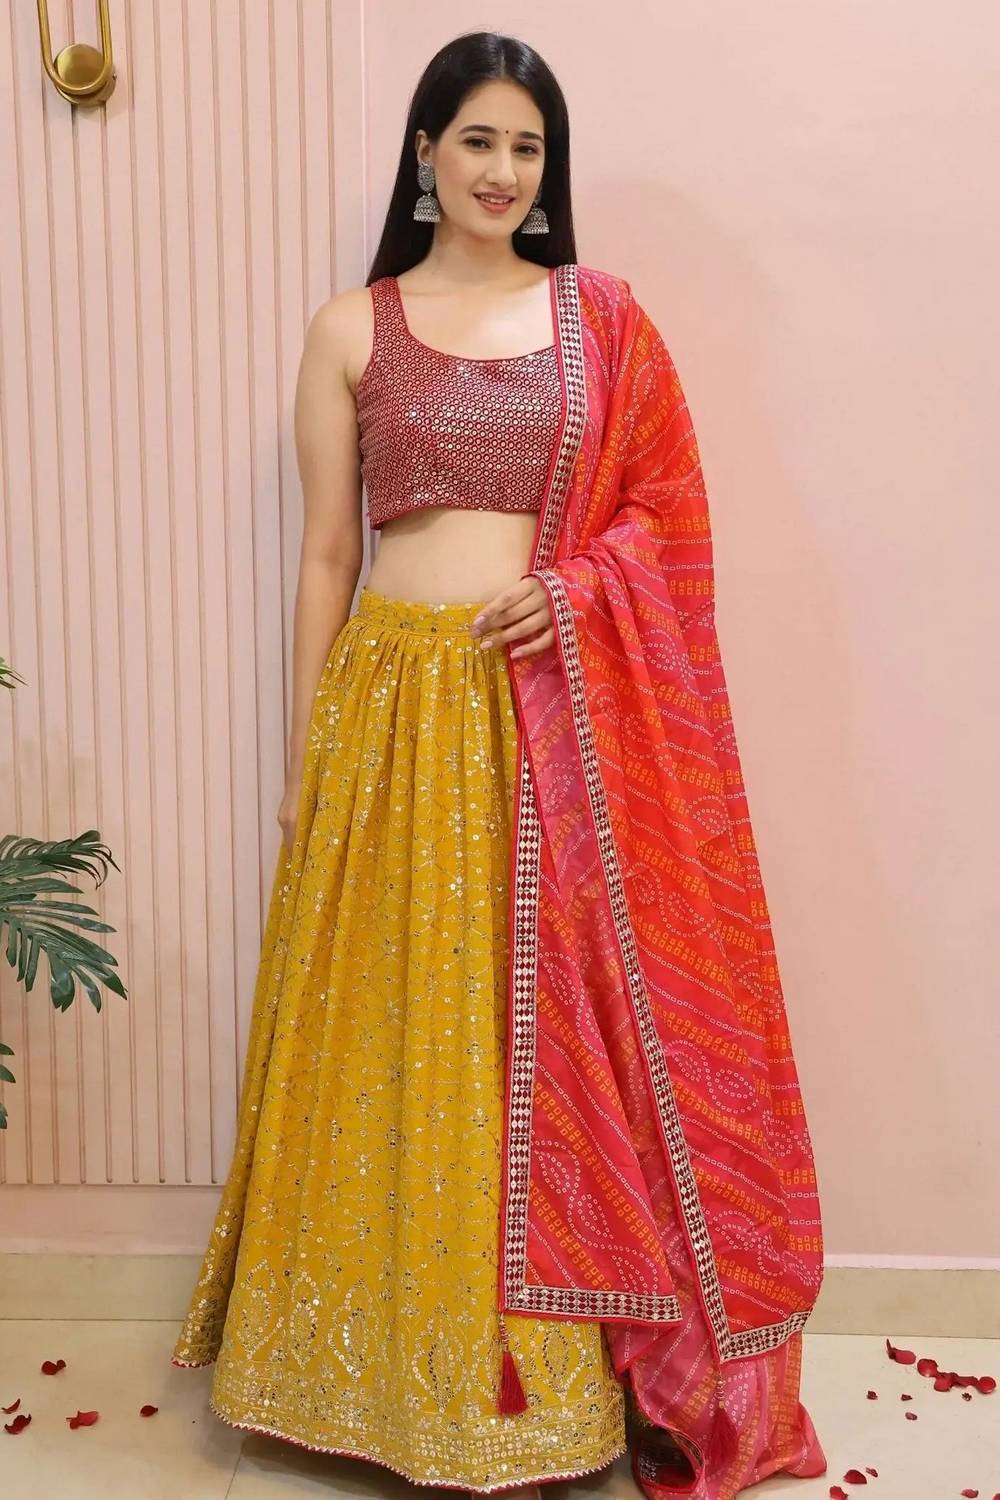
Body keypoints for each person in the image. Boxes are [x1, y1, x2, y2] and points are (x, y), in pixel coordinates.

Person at [171, 31, 828, 1500]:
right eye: (477, 139)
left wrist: (581, 589)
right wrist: (307, 758)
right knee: (392, 1030)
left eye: (528, 148)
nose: (503, 171)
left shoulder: (600, 321)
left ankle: (529, 1392)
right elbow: (326, 556)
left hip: (548, 713)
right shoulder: (351, 328)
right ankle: (354, 1371)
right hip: (393, 713)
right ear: (424, 152)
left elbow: (665, 514)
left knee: (534, 1041)